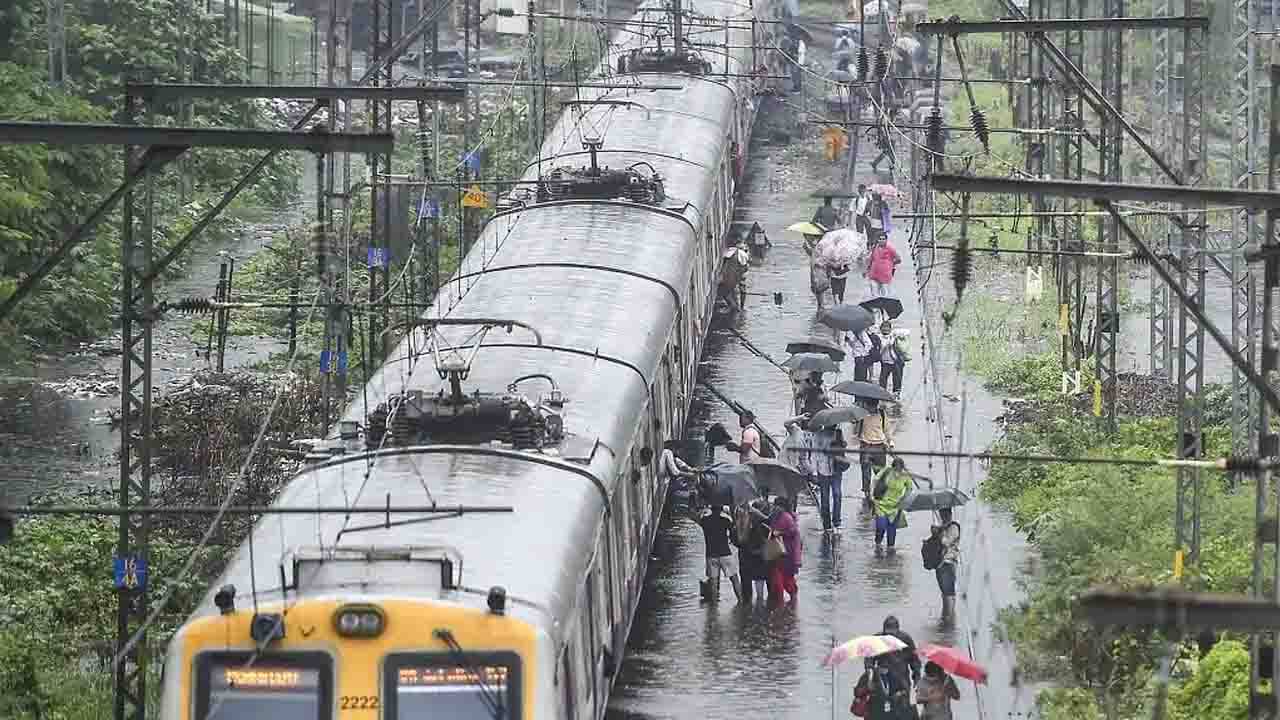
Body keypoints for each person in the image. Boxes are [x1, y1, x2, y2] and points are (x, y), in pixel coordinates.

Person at [783, 413, 838, 533]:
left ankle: (790, 518)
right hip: (784, 465)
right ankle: (787, 518)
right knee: (786, 494)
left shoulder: (813, 440)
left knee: (793, 495)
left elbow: (805, 459)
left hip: (795, 469)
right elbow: (786, 423)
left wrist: (812, 473)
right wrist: (800, 417)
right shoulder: (796, 431)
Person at [698, 504, 740, 601]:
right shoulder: (725, 520)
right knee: (734, 579)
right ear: (721, 510)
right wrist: (729, 514)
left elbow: (696, 518)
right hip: (725, 553)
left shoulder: (705, 520)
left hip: (711, 555)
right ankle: (740, 601)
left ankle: (714, 607)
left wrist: (703, 511)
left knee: (714, 582)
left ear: (711, 509)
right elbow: (734, 532)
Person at [733, 498, 771, 603]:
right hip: (759, 561)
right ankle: (759, 613)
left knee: (747, 594)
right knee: (760, 595)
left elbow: (736, 542)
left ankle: (746, 614)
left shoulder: (737, 527)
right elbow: (769, 531)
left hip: (745, 561)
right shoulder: (762, 527)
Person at [766, 495, 801, 604]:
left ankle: (791, 601)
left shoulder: (787, 517)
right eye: (774, 505)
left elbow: (793, 532)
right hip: (778, 553)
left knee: (786, 579)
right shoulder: (775, 516)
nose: (775, 507)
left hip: (787, 553)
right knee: (778, 580)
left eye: (777, 505)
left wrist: (780, 533)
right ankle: (783, 604)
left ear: (782, 507)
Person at [872, 458, 912, 550]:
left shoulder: (905, 476)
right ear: (893, 468)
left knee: (891, 532)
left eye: (900, 470)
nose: (897, 473)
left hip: (895, 507)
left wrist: (904, 499)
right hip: (881, 504)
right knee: (881, 526)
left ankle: (890, 554)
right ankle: (878, 543)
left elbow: (909, 488)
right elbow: (875, 481)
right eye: (896, 470)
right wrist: (872, 497)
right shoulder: (886, 471)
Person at [857, 397, 893, 497]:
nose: (871, 408)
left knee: (880, 473)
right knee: (866, 473)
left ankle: (880, 494)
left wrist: (890, 443)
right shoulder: (861, 414)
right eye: (869, 406)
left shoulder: (882, 414)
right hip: (866, 446)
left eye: (872, 406)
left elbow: (887, 430)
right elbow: (856, 430)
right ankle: (867, 493)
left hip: (880, 447)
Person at [879, 615, 922, 694]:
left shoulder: (905, 639)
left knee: (903, 702)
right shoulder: (877, 639)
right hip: (883, 678)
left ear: (897, 630)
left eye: (892, 634)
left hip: (901, 677)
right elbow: (869, 657)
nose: (890, 637)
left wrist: (917, 678)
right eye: (887, 633)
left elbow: (914, 660)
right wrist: (870, 669)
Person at [934, 507, 961, 620]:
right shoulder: (942, 527)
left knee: (949, 591)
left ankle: (949, 617)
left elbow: (946, 543)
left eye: (944, 514)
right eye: (941, 514)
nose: (943, 516)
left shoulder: (953, 527)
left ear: (949, 514)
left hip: (949, 562)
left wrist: (939, 533)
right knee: (944, 591)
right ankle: (946, 615)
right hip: (940, 563)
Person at [660, 440, 696, 509]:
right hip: (665, 482)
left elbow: (679, 462)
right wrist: (689, 475)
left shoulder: (672, 455)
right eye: (678, 450)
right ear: (673, 448)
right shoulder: (667, 452)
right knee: (682, 486)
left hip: (667, 481)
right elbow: (675, 472)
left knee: (684, 485)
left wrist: (691, 469)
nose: (679, 452)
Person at [878, 321, 909, 399]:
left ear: (890, 329)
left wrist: (895, 335)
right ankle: (882, 396)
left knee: (897, 380)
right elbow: (879, 352)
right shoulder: (878, 338)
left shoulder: (894, 336)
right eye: (883, 328)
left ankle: (896, 396)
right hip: (885, 362)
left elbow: (907, 332)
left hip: (896, 362)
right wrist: (886, 345)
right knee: (882, 380)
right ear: (880, 329)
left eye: (887, 327)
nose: (885, 329)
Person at [866, 234, 901, 299]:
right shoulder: (874, 248)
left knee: (885, 295)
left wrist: (890, 264)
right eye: (880, 239)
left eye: (883, 239)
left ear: (886, 240)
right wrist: (866, 270)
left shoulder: (890, 249)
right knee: (874, 295)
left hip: (885, 276)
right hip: (874, 274)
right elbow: (870, 259)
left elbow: (898, 259)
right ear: (878, 240)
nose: (882, 241)